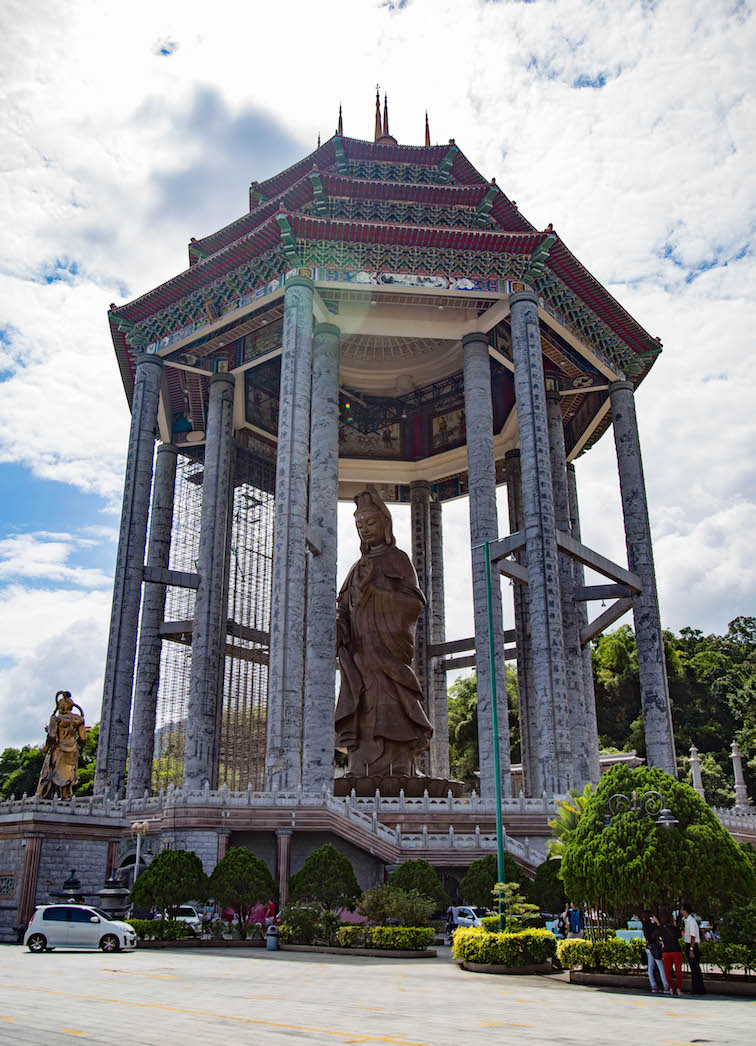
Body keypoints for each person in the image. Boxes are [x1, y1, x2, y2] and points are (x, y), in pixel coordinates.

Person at [335, 487, 433, 778]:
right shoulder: (357, 568)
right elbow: (343, 607)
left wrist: (376, 593)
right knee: (362, 705)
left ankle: (401, 768)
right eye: (360, 525)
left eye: (370, 523)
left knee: (391, 705)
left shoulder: (398, 559)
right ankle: (359, 767)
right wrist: (341, 625)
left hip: (388, 653)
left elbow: (414, 603)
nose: (365, 530)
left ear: (385, 524)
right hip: (360, 655)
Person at [642, 913, 671, 994]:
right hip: (655, 948)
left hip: (649, 948)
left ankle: (654, 986)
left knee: (650, 968)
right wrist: (657, 922)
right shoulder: (652, 926)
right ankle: (666, 986)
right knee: (661, 967)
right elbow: (660, 931)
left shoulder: (644, 925)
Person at [681, 903, 706, 995]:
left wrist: (691, 949)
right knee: (693, 968)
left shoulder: (691, 921)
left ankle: (698, 989)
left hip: (693, 945)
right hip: (689, 945)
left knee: (695, 968)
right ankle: (696, 988)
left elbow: (693, 936)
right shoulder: (686, 921)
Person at [660, 911, 684, 996]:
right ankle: (678, 989)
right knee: (678, 971)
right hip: (676, 950)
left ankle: (670, 988)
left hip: (666, 951)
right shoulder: (675, 928)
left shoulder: (662, 929)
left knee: (667, 971)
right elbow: (680, 936)